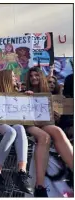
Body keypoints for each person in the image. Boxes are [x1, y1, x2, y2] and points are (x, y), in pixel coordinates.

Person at [24, 66, 74, 197]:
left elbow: (52, 119)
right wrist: (25, 97)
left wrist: (55, 115)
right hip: (29, 124)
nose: (34, 78)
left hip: (44, 123)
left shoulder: (50, 95)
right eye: (31, 76)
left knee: (56, 130)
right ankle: (40, 186)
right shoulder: (23, 91)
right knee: (44, 137)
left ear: (41, 77)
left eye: (36, 75)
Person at [0, 69, 32, 194]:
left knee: (19, 128)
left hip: (11, 125)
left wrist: (27, 97)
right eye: (13, 76)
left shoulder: (17, 94)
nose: (15, 78)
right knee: (11, 132)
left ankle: (21, 172)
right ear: (5, 78)